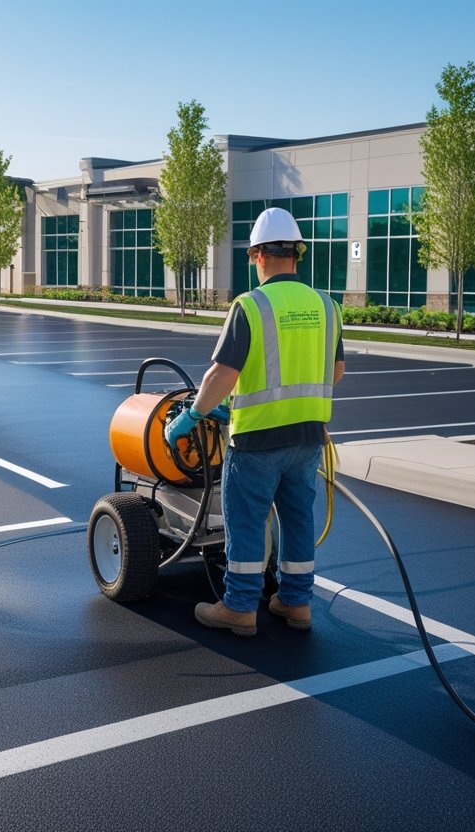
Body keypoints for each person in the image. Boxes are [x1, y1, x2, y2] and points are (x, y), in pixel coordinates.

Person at [164, 207, 344, 636]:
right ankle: (296, 604)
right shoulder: (326, 305)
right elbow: (334, 371)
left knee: (246, 520)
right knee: (298, 518)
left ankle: (240, 607)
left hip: (258, 441)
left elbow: (221, 375)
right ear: (297, 254)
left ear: (258, 255)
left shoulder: (252, 305)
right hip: (308, 438)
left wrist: (194, 414)